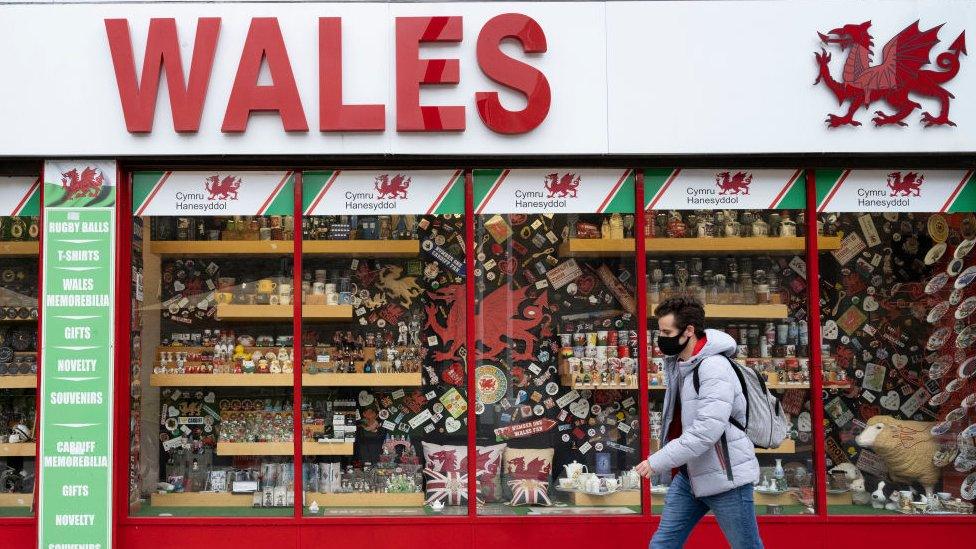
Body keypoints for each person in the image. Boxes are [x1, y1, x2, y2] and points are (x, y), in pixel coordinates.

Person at [635, 296, 762, 549]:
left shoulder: (714, 367)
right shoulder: (681, 365)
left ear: (689, 331)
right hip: (689, 476)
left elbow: (707, 430)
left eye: (667, 332)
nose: (661, 338)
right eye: (660, 331)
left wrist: (658, 461)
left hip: (726, 478)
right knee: (662, 545)